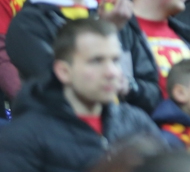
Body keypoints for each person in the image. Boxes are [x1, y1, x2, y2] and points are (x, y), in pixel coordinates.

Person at [0, 19, 160, 172]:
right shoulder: (22, 136)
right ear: (64, 71)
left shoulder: (138, 123)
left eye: (115, 60)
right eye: (96, 61)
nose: (112, 72)